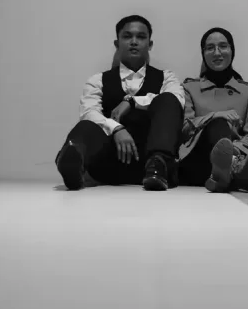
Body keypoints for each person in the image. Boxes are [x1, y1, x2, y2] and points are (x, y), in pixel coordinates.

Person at [56, 15, 185, 191]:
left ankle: (158, 163)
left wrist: (132, 102)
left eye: (141, 37)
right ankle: (72, 163)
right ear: (117, 44)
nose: (134, 42)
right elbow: (89, 111)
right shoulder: (98, 80)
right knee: (87, 123)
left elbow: (176, 100)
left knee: (168, 99)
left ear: (150, 44)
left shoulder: (167, 78)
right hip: (108, 165)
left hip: (151, 166)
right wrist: (116, 128)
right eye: (127, 36)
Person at [178, 28, 248, 193]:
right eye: (210, 48)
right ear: (203, 53)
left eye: (223, 46)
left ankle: (228, 169)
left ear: (232, 50)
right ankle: (238, 173)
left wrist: (232, 149)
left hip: (233, 154)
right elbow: (185, 130)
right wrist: (215, 116)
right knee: (219, 123)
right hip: (197, 160)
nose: (217, 53)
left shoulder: (247, 92)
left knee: (226, 147)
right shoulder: (189, 88)